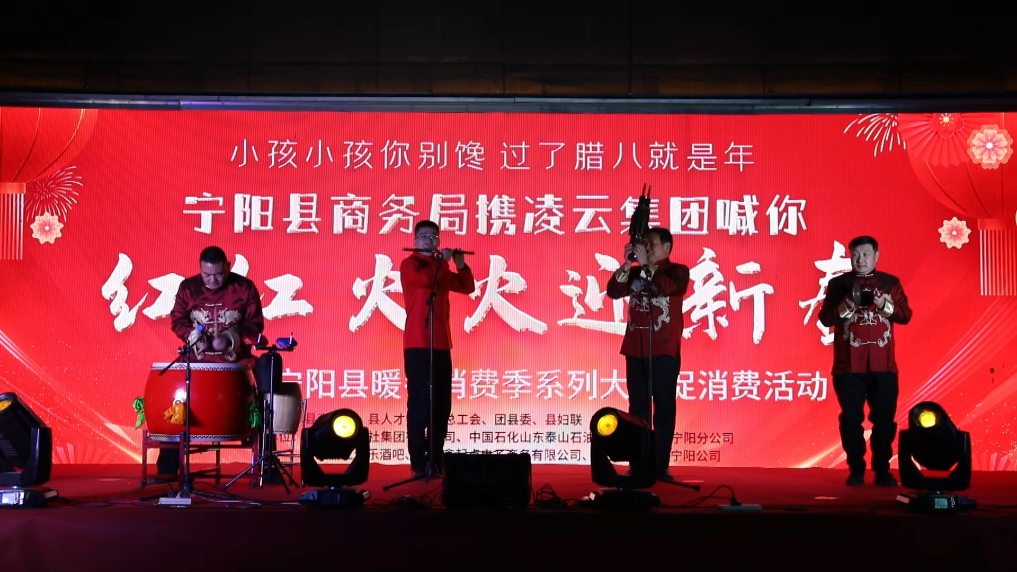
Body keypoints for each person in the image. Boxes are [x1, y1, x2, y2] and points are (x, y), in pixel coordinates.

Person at [156, 246, 265, 477]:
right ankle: (166, 471)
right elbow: (178, 320)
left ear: (229, 267)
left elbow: (255, 324)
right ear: (200, 269)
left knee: (265, 396)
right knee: (176, 401)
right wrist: (193, 336)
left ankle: (266, 464)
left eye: (218, 274)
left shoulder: (244, 287)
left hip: (236, 362)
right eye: (207, 275)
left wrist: (231, 338)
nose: (213, 280)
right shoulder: (188, 288)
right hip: (198, 361)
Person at [819, 236, 912, 487]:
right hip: (848, 366)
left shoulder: (889, 283)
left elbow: (905, 315)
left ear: (876, 256)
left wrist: (884, 304)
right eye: (856, 255)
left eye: (866, 254)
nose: (860, 259)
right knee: (851, 419)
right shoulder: (838, 284)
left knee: (884, 420)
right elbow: (825, 319)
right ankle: (856, 470)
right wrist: (845, 307)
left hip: (884, 366)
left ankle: (882, 471)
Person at [606, 227, 690, 482]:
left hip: (663, 351)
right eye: (644, 244)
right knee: (637, 409)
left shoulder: (677, 272)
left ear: (666, 247)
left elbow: (666, 288)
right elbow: (613, 291)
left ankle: (659, 466)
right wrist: (627, 263)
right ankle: (639, 464)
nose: (647, 248)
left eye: (651, 244)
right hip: (636, 349)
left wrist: (646, 265)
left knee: (663, 408)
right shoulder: (634, 273)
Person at [400, 220, 475, 478]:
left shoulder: (439, 268)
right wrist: (442, 262)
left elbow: (466, 287)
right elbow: (426, 281)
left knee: (441, 405)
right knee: (420, 403)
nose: (429, 241)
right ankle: (418, 462)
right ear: (415, 240)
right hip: (417, 343)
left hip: (441, 343)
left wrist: (461, 265)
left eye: (434, 237)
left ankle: (435, 459)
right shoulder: (411, 264)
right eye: (424, 237)